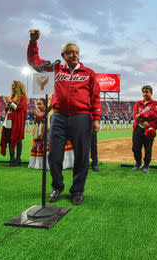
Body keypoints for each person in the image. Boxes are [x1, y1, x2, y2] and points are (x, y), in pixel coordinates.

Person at [27, 29, 101, 206]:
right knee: (53, 155)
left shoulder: (88, 73)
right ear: (63, 55)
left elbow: (95, 97)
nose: (74, 55)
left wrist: (96, 118)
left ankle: (77, 191)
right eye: (70, 52)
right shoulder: (55, 68)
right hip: (59, 117)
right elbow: (34, 62)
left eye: (76, 52)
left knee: (82, 157)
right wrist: (33, 41)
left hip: (82, 117)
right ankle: (57, 186)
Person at [132, 85, 157, 173]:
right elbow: (135, 116)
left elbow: (154, 114)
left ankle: (146, 165)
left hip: (149, 129)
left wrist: (142, 115)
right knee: (136, 147)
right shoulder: (137, 104)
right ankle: (138, 163)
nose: (145, 94)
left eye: (147, 92)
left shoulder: (155, 103)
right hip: (138, 128)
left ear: (151, 93)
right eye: (143, 92)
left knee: (148, 148)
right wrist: (145, 118)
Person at [0, 81, 27, 167]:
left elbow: (19, 108)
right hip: (8, 122)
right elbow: (7, 110)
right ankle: (12, 159)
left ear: (19, 87)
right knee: (9, 140)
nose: (12, 87)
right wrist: (7, 104)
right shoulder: (12, 96)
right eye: (12, 85)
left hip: (16, 123)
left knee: (17, 140)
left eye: (14, 85)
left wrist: (10, 103)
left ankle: (17, 159)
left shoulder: (22, 97)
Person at [29, 98, 48, 170]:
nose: (38, 106)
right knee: (36, 147)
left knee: (44, 148)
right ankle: (37, 164)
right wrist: (37, 117)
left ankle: (45, 164)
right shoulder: (38, 112)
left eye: (40, 104)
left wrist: (39, 117)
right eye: (37, 104)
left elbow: (46, 122)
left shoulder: (47, 113)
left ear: (45, 105)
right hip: (38, 134)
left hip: (44, 133)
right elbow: (35, 122)